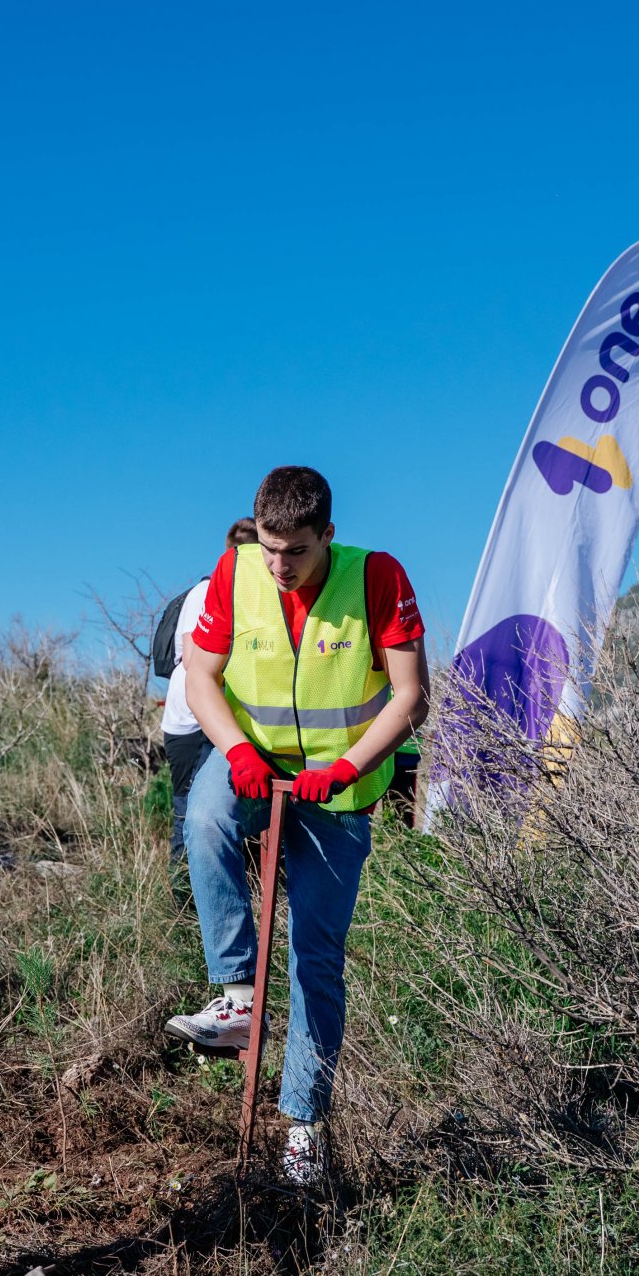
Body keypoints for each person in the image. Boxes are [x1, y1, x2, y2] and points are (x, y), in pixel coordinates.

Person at [165, 465, 428, 1185]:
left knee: (314, 954)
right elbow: (200, 676)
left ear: (328, 536)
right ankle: (238, 996)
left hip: (340, 790)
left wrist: (345, 769)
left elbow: (410, 696)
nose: (280, 565)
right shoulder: (236, 570)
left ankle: (303, 1127)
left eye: (297, 551)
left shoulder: (377, 577)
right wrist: (238, 749)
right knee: (207, 813)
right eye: (271, 548)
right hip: (255, 759)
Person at [160, 517, 259, 862]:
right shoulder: (208, 591)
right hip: (192, 721)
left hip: (204, 718)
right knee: (191, 809)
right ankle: (185, 900)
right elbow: (193, 659)